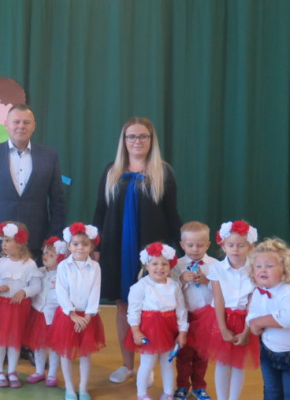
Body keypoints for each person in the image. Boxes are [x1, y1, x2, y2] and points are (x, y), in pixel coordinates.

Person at [92, 117, 182, 383]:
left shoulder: (163, 172)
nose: (137, 141)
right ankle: (127, 365)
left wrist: (180, 249)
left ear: (151, 140)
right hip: (116, 248)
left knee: (151, 308)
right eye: (131, 136)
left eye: (143, 136)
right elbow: (100, 211)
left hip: (151, 252)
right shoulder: (111, 171)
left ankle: (147, 365)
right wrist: (95, 245)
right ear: (124, 140)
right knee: (123, 305)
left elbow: (171, 214)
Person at [0, 103, 66, 260]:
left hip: (37, 243)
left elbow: (58, 201)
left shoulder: (50, 156)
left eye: (26, 122)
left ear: (34, 126)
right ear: (6, 125)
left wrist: (53, 237)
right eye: (16, 122)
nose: (21, 126)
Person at [0, 221, 42, 389]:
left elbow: (36, 286)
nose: (3, 244)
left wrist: (24, 292)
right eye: (3, 240)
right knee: (1, 341)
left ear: (20, 242)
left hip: (19, 309)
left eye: (8, 240)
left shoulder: (29, 265)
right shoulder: (0, 263)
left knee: (15, 342)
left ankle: (12, 371)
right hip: (1, 307)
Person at [197, 221, 259, 400]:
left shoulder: (255, 269)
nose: (235, 249)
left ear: (250, 247)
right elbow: (218, 299)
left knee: (238, 365)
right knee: (222, 363)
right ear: (223, 246)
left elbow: (253, 303)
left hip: (245, 320)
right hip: (220, 319)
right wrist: (223, 329)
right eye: (230, 245)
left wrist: (246, 331)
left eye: (241, 245)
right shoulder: (217, 268)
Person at [48, 222, 105, 400]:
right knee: (66, 353)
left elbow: (95, 290)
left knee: (85, 354)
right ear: (69, 245)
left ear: (91, 246)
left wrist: (88, 315)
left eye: (85, 244)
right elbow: (61, 291)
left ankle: (83, 388)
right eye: (76, 244)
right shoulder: (63, 266)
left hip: (87, 317)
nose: (80, 247)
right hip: (68, 316)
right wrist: (72, 314)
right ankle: (70, 388)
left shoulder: (95, 267)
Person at [124, 243, 188, 400]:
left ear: (170, 266)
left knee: (168, 362)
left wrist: (182, 332)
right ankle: (141, 394)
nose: (160, 267)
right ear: (147, 266)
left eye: (164, 264)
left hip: (169, 329)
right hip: (150, 330)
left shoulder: (174, 286)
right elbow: (133, 311)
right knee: (147, 363)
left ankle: (168, 393)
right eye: (155, 264)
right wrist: (136, 331)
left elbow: (181, 310)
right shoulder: (141, 286)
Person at [171, 222, 217, 400]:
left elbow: (221, 291)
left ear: (208, 245)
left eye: (200, 245)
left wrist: (207, 281)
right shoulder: (176, 265)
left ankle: (199, 386)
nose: (195, 249)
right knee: (183, 355)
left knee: (202, 355)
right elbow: (170, 291)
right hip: (185, 317)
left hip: (206, 318)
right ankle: (182, 386)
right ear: (182, 245)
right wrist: (181, 280)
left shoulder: (214, 265)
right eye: (190, 245)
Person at [246, 238, 290, 400]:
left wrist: (260, 321)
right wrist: (252, 323)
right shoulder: (258, 292)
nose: (263, 270)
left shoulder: (286, 291)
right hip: (268, 351)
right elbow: (252, 314)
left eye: (269, 266)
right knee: (272, 392)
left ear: (284, 269)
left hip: (288, 354)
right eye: (258, 266)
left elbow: (288, 317)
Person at [25, 236, 68, 387]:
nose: (46, 256)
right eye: (46, 253)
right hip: (38, 313)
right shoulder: (39, 272)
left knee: (54, 347)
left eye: (51, 255)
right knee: (38, 345)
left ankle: (52, 374)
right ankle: (39, 371)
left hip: (53, 316)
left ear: (60, 259)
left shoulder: (63, 275)